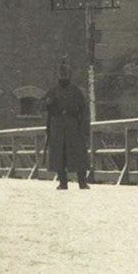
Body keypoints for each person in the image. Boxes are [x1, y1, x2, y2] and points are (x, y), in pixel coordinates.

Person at [43, 60, 90, 190]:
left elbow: (83, 110)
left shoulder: (76, 91)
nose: (63, 75)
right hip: (57, 126)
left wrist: (83, 128)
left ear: (69, 75)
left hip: (73, 126)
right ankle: (63, 182)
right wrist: (48, 103)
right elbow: (42, 106)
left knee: (79, 154)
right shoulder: (53, 91)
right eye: (61, 73)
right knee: (59, 154)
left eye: (65, 73)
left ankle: (82, 181)